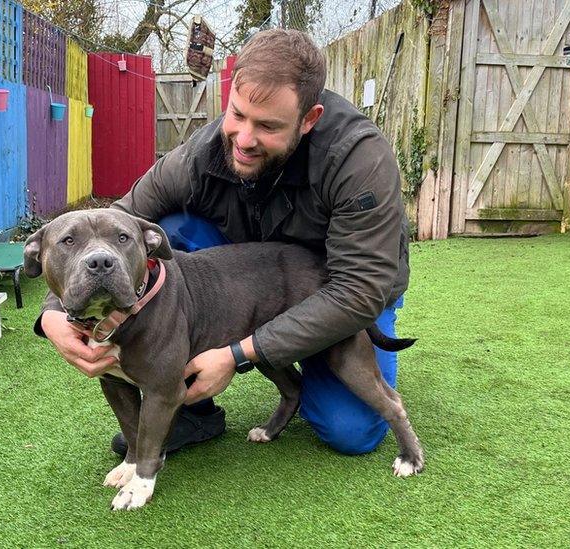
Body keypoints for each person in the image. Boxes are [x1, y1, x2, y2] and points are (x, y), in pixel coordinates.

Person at [36, 28, 410, 457]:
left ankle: (317, 373)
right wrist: (52, 315)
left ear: (309, 120)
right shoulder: (202, 153)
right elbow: (104, 226)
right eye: (238, 115)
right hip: (246, 276)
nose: (245, 139)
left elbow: (359, 291)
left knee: (350, 431)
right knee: (159, 231)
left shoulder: (358, 160)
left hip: (336, 290)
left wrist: (237, 354)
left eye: (268, 126)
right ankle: (191, 411)